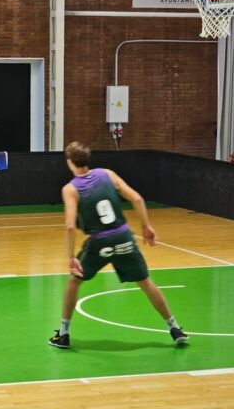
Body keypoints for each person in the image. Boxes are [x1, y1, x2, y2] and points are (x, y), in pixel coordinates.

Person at [48, 141, 189, 349]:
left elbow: (70, 227)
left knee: (73, 282)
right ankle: (175, 328)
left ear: (70, 162)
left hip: (99, 242)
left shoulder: (70, 189)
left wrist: (71, 258)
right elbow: (137, 199)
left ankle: (64, 334)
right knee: (146, 282)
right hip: (124, 237)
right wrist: (146, 226)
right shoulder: (107, 174)